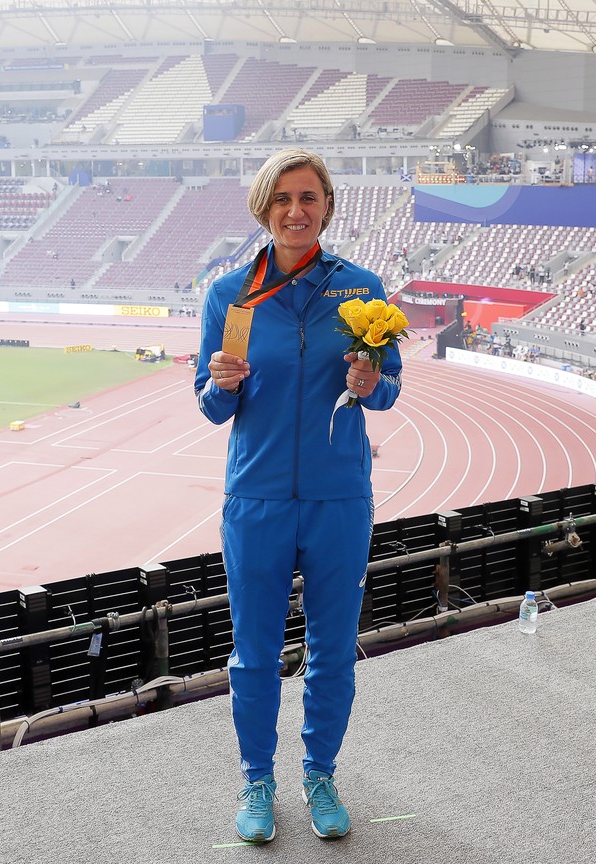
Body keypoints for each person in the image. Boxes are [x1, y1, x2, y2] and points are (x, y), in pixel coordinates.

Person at [196, 148, 402, 844]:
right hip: (255, 497)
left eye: (309, 197)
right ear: (264, 207)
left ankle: (320, 773)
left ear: (327, 207)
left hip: (339, 496)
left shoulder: (362, 292)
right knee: (253, 653)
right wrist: (221, 384)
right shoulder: (235, 296)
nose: (296, 210)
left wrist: (376, 384)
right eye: (283, 198)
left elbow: (391, 385)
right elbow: (213, 409)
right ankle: (257, 778)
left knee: (333, 649)